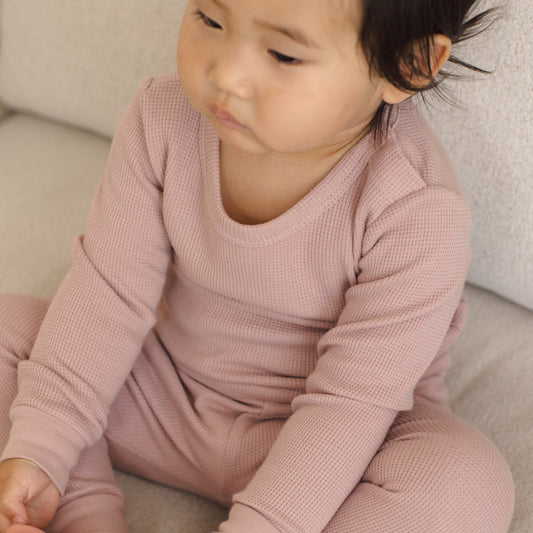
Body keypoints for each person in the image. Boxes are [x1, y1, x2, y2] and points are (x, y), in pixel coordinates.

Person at [0, 0, 515, 531]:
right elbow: (106, 295)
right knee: (11, 330)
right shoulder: (162, 117)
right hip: (162, 395)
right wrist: (43, 448)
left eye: (284, 55)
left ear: (410, 64)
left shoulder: (418, 209)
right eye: (210, 20)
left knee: (466, 482)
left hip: (335, 447)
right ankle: (78, 514)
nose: (226, 76)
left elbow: (353, 401)